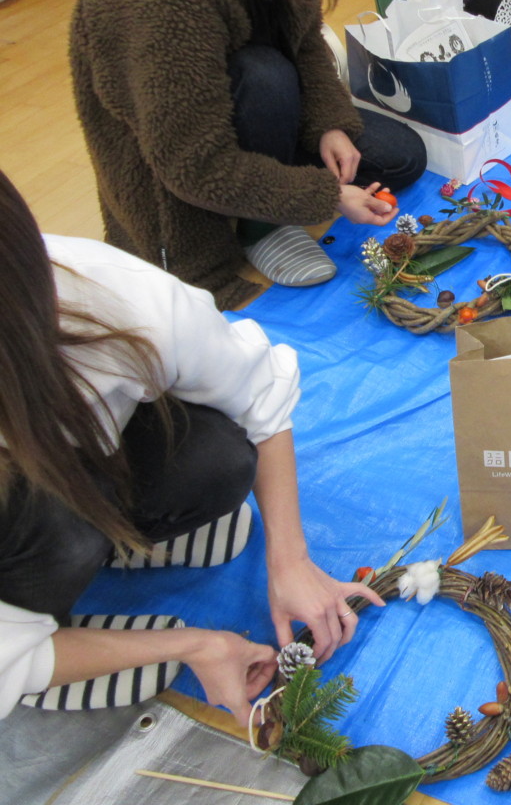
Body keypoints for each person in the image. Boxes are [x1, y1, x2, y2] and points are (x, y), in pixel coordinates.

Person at [0, 169, 382, 725]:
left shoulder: (112, 296)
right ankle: (37, 647)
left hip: (86, 460)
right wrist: (194, 645)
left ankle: (114, 539)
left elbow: (259, 393)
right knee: (60, 536)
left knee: (217, 460)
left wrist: (291, 560)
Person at [71, 0, 427, 310]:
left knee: (401, 158)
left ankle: (274, 185)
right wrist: (326, 197)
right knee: (265, 78)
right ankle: (262, 226)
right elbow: (195, 166)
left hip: (257, 116)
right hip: (187, 164)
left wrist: (329, 125)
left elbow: (306, 42)